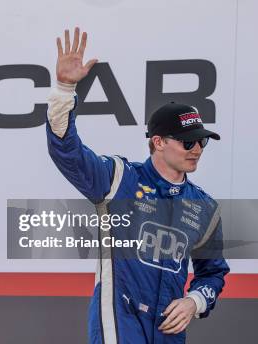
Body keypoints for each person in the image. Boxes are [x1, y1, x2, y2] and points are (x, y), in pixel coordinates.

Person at [45, 27, 229, 344]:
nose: (196, 149)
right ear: (158, 142)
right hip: (120, 320)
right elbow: (68, 152)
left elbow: (212, 273)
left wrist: (193, 302)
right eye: (187, 142)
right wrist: (64, 89)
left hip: (168, 330)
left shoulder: (204, 207)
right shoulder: (120, 179)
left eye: (201, 141)